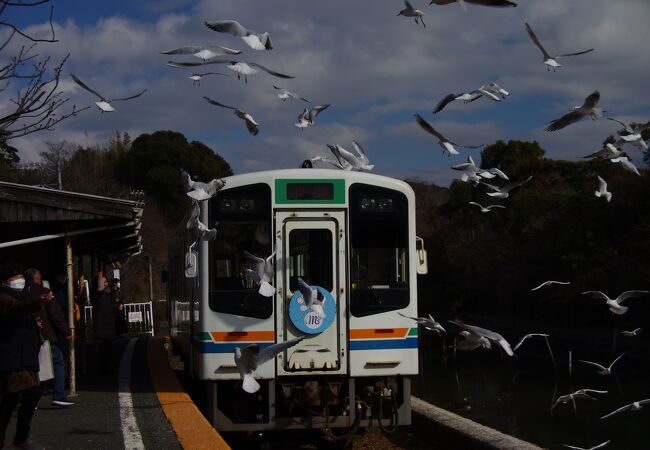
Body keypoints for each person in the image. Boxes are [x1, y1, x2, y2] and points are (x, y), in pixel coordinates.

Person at [0, 263, 49, 450]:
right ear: (5, 281)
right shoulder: (4, 298)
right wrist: (39, 300)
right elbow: (15, 308)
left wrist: (32, 323)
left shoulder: (16, 296)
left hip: (22, 357)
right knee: (29, 393)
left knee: (10, 401)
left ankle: (20, 438)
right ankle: (21, 438)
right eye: (16, 277)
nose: (20, 280)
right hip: (13, 359)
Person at [23, 269, 74, 408]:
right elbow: (55, 314)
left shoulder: (22, 294)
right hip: (46, 335)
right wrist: (66, 332)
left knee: (34, 368)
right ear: (38, 278)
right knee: (56, 363)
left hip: (27, 336)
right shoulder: (44, 292)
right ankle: (58, 395)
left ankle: (30, 400)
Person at [92, 273, 115, 371]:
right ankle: (102, 370)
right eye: (104, 282)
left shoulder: (109, 294)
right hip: (101, 328)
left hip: (107, 327)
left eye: (106, 282)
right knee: (101, 352)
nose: (107, 284)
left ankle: (107, 368)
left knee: (108, 351)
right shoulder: (97, 295)